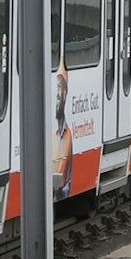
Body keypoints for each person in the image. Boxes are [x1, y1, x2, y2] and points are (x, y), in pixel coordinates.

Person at [52, 62, 74, 201]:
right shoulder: (54, 133)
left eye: (61, 88)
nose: (58, 95)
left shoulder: (67, 135)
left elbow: (65, 183)